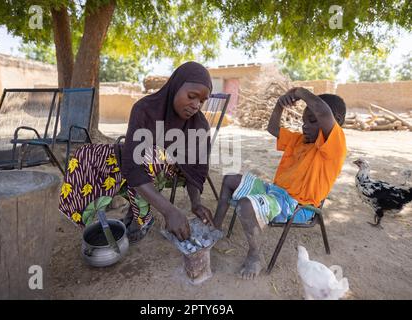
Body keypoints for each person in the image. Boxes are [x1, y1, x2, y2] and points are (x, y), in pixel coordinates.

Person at [59, 61, 215, 243]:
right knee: (87, 155)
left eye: (202, 101)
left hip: (176, 170)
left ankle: (141, 218)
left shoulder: (199, 126)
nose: (196, 105)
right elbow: (132, 163)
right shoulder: (144, 109)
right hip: (142, 163)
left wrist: (195, 203)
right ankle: (86, 215)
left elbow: (196, 169)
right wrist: (170, 210)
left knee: (148, 154)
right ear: (176, 86)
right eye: (191, 96)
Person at [213, 87, 347, 280]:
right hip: (275, 192)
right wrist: (279, 104)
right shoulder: (300, 140)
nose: (304, 126)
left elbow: (324, 112)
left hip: (297, 206)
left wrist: (300, 92)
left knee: (245, 205)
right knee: (230, 179)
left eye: (311, 121)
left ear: (337, 120)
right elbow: (273, 129)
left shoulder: (334, 146)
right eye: (303, 121)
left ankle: (255, 255)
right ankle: (215, 228)